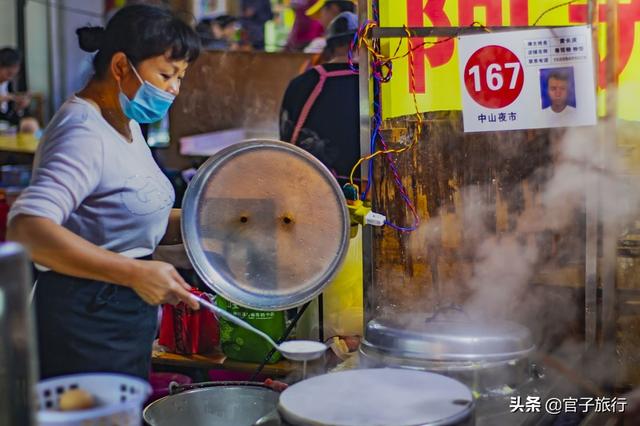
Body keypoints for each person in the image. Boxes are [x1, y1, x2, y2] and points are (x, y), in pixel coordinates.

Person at [7, 4, 201, 381]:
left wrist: (214, 222)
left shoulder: (122, 123)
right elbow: (27, 230)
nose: (174, 90)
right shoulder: (81, 132)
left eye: (180, 77)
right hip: (83, 321)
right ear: (120, 67)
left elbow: (134, 214)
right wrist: (134, 273)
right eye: (166, 75)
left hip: (121, 314)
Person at [280, 12, 360, 184]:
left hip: (317, 186)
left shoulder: (300, 83)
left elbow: (285, 139)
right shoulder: (378, 82)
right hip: (370, 186)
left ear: (330, 46)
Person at [0, 47, 39, 133]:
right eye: (8, 67)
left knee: (31, 124)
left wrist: (19, 107)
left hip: (6, 125)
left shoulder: (10, 85)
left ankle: (41, 143)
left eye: (15, 66)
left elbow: (9, 115)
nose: (13, 70)